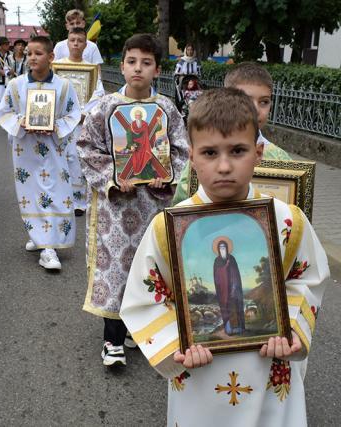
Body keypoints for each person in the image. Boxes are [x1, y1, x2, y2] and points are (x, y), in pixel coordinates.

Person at [120, 88, 329, 427]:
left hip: (267, 362)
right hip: (199, 371)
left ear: (258, 152)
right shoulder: (168, 227)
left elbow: (308, 278)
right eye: (209, 152)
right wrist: (178, 343)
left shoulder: (286, 220)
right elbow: (144, 296)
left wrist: (287, 327)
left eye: (238, 150)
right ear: (191, 156)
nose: (224, 166)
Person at [77, 34, 189, 367]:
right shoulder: (105, 107)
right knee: (116, 269)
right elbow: (87, 147)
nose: (138, 68)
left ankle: (133, 328)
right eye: (131, 61)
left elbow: (181, 149)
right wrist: (114, 176)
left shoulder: (167, 108)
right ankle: (111, 341)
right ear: (122, 65)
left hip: (152, 205)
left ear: (157, 69)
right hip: (115, 207)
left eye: (146, 62)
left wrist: (165, 175)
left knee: (148, 267)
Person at [0, 36, 81, 271]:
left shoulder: (64, 86)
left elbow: (74, 114)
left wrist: (57, 126)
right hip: (26, 150)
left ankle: (49, 245)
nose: (32, 57)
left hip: (54, 148)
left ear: (51, 57)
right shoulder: (16, 85)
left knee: (56, 190)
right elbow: (3, 112)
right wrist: (20, 122)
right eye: (29, 53)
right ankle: (42, 241)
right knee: (31, 192)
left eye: (38, 53)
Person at [172, 62, 292, 204]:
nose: (256, 109)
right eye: (245, 99)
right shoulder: (200, 155)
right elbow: (181, 203)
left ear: (258, 153)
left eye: (264, 102)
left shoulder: (280, 158)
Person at [54, 27, 106, 216]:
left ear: (86, 44)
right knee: (58, 158)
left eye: (80, 40)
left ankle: (78, 201)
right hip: (59, 123)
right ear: (67, 42)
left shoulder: (90, 69)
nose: (76, 43)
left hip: (80, 123)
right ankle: (60, 198)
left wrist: (82, 114)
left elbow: (98, 93)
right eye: (72, 40)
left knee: (77, 160)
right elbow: (51, 91)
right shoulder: (57, 66)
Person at [213, 239, 245, 335]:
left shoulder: (232, 259)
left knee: (236, 306)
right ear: (218, 249)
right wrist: (224, 268)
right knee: (226, 307)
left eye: (224, 247)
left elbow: (236, 273)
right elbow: (216, 276)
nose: (222, 249)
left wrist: (235, 286)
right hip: (223, 291)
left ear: (227, 248)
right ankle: (228, 329)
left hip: (234, 288)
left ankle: (240, 328)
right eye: (220, 247)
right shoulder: (217, 261)